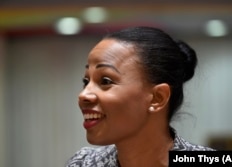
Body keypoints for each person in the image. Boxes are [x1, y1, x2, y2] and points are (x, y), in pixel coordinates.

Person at [66, 26, 214, 167]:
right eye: (86, 81)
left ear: (158, 98)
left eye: (105, 81)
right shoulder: (83, 163)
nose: (83, 95)